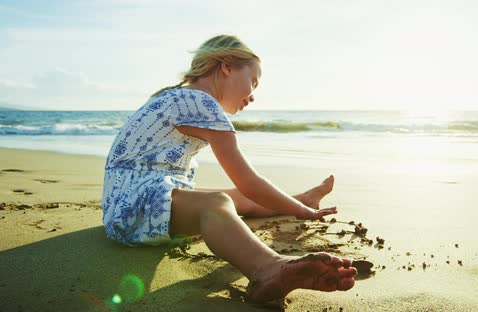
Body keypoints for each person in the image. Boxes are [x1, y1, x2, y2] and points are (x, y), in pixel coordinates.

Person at [101, 34, 357, 303]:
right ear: (227, 66)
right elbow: (249, 181)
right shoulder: (201, 102)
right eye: (253, 82)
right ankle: (266, 269)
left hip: (125, 204)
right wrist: (302, 214)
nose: (253, 96)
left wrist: (299, 205)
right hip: (134, 209)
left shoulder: (177, 96)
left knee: (236, 198)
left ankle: (300, 199)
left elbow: (245, 191)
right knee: (217, 203)